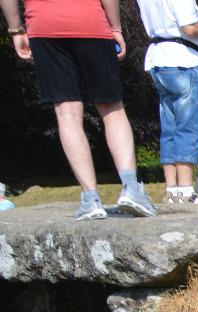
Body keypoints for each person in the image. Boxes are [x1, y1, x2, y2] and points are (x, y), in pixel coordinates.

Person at [2, 0, 157, 220]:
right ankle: (131, 188)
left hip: (44, 27)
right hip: (91, 23)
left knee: (67, 113)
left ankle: (90, 198)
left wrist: (16, 30)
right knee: (112, 108)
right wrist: (115, 27)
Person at [135, 0, 198, 204]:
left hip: (158, 60)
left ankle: (172, 190)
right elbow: (189, 28)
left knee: (169, 126)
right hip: (183, 60)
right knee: (189, 125)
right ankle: (185, 189)